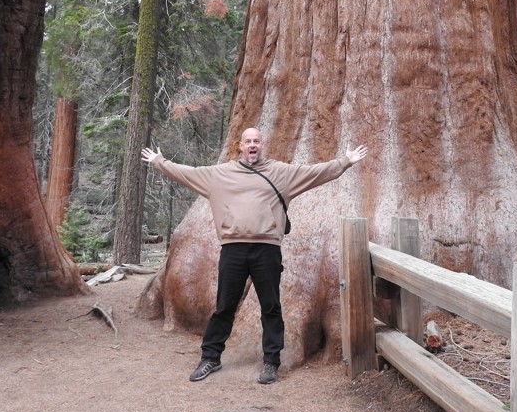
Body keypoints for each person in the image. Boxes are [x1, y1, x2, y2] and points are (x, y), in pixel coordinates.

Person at [141, 127, 367, 385]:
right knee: (225, 305)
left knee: (270, 307)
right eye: (248, 141)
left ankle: (271, 362)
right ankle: (210, 358)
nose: (252, 145)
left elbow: (315, 172)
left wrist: (345, 162)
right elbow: (187, 173)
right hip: (233, 249)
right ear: (240, 146)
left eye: (256, 141)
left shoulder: (281, 173)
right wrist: (160, 163)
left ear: (262, 145)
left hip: (266, 249)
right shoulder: (220, 174)